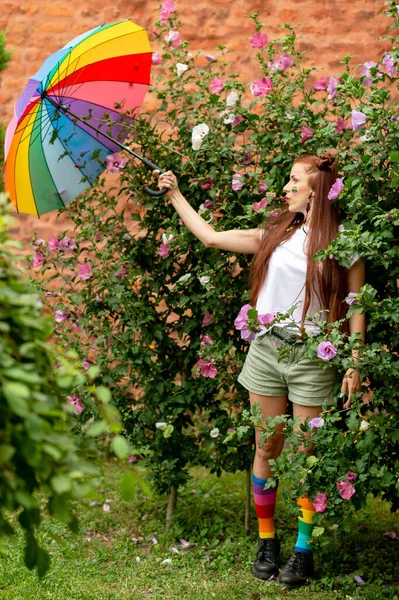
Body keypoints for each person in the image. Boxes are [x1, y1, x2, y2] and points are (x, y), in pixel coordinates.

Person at [153, 153, 366, 590]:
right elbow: (211, 238)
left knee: (309, 455)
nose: (286, 188)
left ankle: (303, 552)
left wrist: (354, 361)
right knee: (266, 447)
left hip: (314, 357)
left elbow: (356, 303)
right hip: (268, 350)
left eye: (294, 181)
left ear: (317, 191)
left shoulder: (345, 242)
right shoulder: (276, 234)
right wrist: (174, 194)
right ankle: (267, 543)